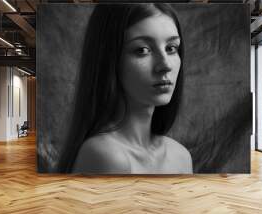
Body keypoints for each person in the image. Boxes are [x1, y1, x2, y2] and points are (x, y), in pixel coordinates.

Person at [58, 3, 193, 174]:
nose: (165, 65)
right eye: (142, 50)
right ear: (109, 59)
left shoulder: (181, 156)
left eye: (171, 48)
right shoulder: (106, 156)